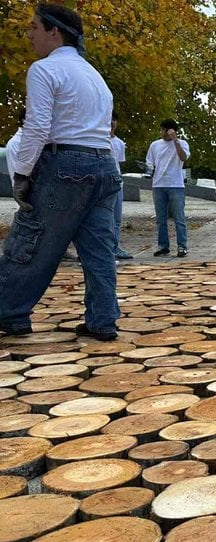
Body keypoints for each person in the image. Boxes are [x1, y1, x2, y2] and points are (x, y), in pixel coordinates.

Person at [0, 3, 120, 340]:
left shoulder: (44, 70)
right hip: (103, 165)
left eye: (34, 27)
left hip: (66, 163)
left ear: (55, 31)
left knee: (32, 238)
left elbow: (36, 127)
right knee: (99, 249)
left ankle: (9, 311)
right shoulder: (94, 75)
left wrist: (22, 173)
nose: (29, 34)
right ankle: (103, 319)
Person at [147, 118, 190, 257]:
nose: (164, 133)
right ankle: (163, 245)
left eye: (166, 130)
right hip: (159, 184)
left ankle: (182, 246)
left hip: (176, 185)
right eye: (162, 130)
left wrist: (175, 140)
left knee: (179, 217)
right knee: (161, 218)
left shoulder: (182, 143)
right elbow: (150, 163)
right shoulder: (155, 145)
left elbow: (183, 157)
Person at [109, 112, 131, 261]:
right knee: (105, 218)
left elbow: (119, 163)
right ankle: (106, 247)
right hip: (105, 184)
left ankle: (115, 246)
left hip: (118, 183)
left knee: (116, 219)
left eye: (115, 120)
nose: (112, 123)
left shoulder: (119, 143)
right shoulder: (99, 140)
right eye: (110, 119)